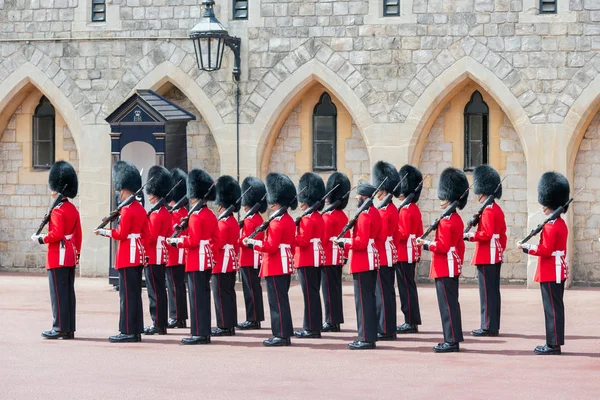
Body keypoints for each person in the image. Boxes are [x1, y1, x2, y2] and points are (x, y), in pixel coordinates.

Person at [95, 161, 149, 343]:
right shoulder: (140, 209)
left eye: (120, 190)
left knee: (126, 296)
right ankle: (135, 330)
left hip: (127, 256)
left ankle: (127, 331)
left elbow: (121, 234)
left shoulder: (127, 210)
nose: (119, 193)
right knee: (134, 295)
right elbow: (146, 234)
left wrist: (103, 232)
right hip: (137, 256)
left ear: (125, 189)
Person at [518, 172, 570, 355]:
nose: (543, 208)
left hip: (550, 270)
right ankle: (554, 342)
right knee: (555, 308)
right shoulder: (560, 223)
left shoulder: (550, 225)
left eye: (545, 204)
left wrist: (526, 248)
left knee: (552, 310)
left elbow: (545, 250)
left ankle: (553, 344)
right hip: (558, 269)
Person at [417, 168, 468, 353]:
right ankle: (452, 337)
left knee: (447, 305)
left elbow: (442, 247)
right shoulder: (455, 218)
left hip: (444, 266)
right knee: (451, 304)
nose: (441, 200)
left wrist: (425, 244)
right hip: (450, 266)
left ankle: (451, 340)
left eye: (444, 197)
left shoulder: (447, 221)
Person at [244, 173, 296, 347]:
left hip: (275, 264)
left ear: (276, 200)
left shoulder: (276, 222)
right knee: (282, 300)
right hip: (284, 263)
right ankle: (284, 333)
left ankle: (280, 335)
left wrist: (253, 243)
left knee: (277, 302)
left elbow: (271, 246)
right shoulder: (287, 219)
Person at [166, 169, 217, 345]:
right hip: (207, 259)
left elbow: (193, 240)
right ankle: (204, 331)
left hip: (196, 260)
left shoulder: (195, 217)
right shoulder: (209, 214)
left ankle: (198, 333)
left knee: (196, 298)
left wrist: (176, 242)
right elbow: (214, 239)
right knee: (203, 297)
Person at [31, 160, 81, 340]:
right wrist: (77, 254)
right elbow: (78, 234)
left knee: (58, 294)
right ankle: (68, 328)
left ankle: (59, 327)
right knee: (68, 293)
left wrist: (41, 239)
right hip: (69, 254)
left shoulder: (58, 210)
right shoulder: (72, 209)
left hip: (57, 255)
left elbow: (57, 234)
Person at [336, 182, 382, 350]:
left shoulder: (364, 215)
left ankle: (365, 338)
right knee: (368, 299)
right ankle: (369, 335)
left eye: (358, 196)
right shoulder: (374, 212)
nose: (356, 199)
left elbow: (361, 242)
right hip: (371, 259)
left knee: (363, 302)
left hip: (363, 260)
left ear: (363, 197)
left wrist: (343, 242)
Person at [464, 164, 507, 337]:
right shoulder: (495, 209)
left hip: (486, 255)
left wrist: (469, 236)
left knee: (487, 293)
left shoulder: (488, 211)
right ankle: (493, 324)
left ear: (483, 192)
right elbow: (502, 235)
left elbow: (486, 234)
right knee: (493, 291)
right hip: (494, 254)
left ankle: (488, 326)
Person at [294, 173, 326, 339]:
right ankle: (314, 326)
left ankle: (311, 328)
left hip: (307, 258)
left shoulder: (307, 219)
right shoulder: (318, 217)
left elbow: (303, 241)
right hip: (315, 258)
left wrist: (291, 236)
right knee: (313, 293)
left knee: (309, 295)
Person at [143, 165, 172, 336]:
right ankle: (161, 323)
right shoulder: (165, 212)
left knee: (155, 292)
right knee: (160, 290)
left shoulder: (155, 214)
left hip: (153, 255)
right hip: (161, 256)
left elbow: (150, 238)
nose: (149, 196)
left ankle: (158, 323)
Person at [211, 175, 241, 337]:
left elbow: (217, 244)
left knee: (221, 295)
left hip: (221, 262)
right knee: (228, 294)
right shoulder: (233, 221)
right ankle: (229, 323)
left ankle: (224, 325)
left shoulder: (223, 223)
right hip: (230, 262)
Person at [395, 164, 423, 334]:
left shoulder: (405, 210)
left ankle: (410, 321)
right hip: (409, 252)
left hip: (404, 252)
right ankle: (411, 320)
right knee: (408, 287)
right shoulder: (413, 208)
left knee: (406, 288)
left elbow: (403, 234)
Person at [373, 161, 400, 341]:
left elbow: (380, 236)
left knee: (382, 292)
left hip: (382, 253)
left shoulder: (384, 211)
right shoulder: (392, 208)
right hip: (389, 252)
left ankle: (385, 328)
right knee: (387, 292)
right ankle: (388, 326)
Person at [321, 172, 351, 333]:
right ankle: (335, 320)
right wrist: (345, 255)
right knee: (335, 289)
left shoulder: (328, 216)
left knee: (328, 291)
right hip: (338, 257)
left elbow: (324, 238)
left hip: (327, 257)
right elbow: (347, 236)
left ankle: (331, 321)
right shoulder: (343, 216)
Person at [237, 177, 267, 330]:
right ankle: (255, 318)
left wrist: (237, 239)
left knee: (250, 291)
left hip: (248, 259)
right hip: (253, 258)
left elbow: (245, 241)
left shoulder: (250, 220)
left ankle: (252, 319)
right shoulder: (256, 217)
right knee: (254, 289)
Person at [165, 168, 189, 329]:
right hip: (180, 253)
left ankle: (176, 316)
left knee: (174, 286)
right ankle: (179, 316)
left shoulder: (174, 213)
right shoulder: (184, 211)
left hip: (174, 253)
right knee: (178, 286)